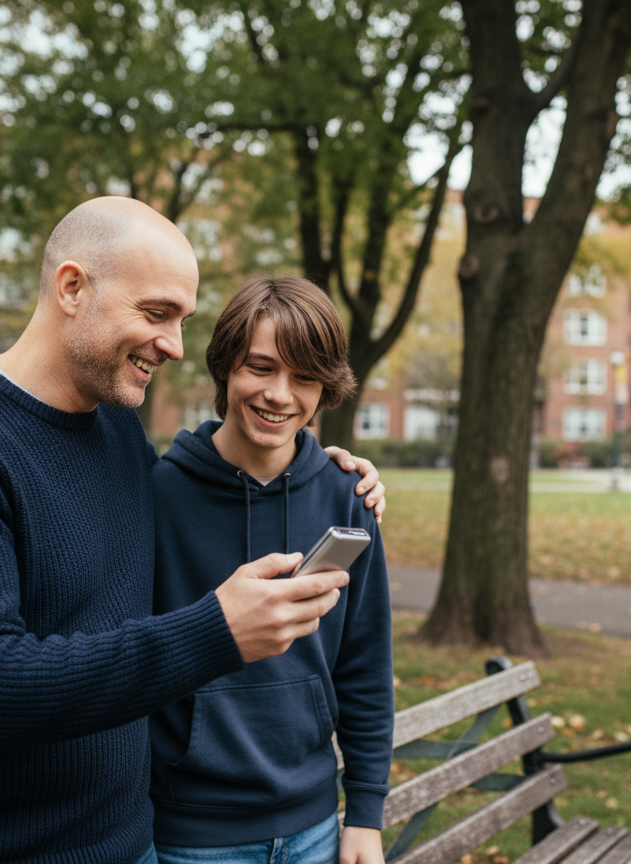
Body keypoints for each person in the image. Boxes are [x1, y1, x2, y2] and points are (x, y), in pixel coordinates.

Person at [0, 197, 385, 864]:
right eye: (156, 313)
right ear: (72, 287)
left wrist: (323, 470)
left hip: (129, 844)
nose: (176, 345)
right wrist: (215, 632)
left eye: (183, 320)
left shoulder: (118, 432)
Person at [148, 276, 393, 864]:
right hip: (192, 833)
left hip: (314, 827)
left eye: (305, 376)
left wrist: (364, 813)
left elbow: (365, 666)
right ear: (227, 368)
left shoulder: (348, 498)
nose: (280, 395)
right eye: (261, 368)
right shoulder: (156, 496)